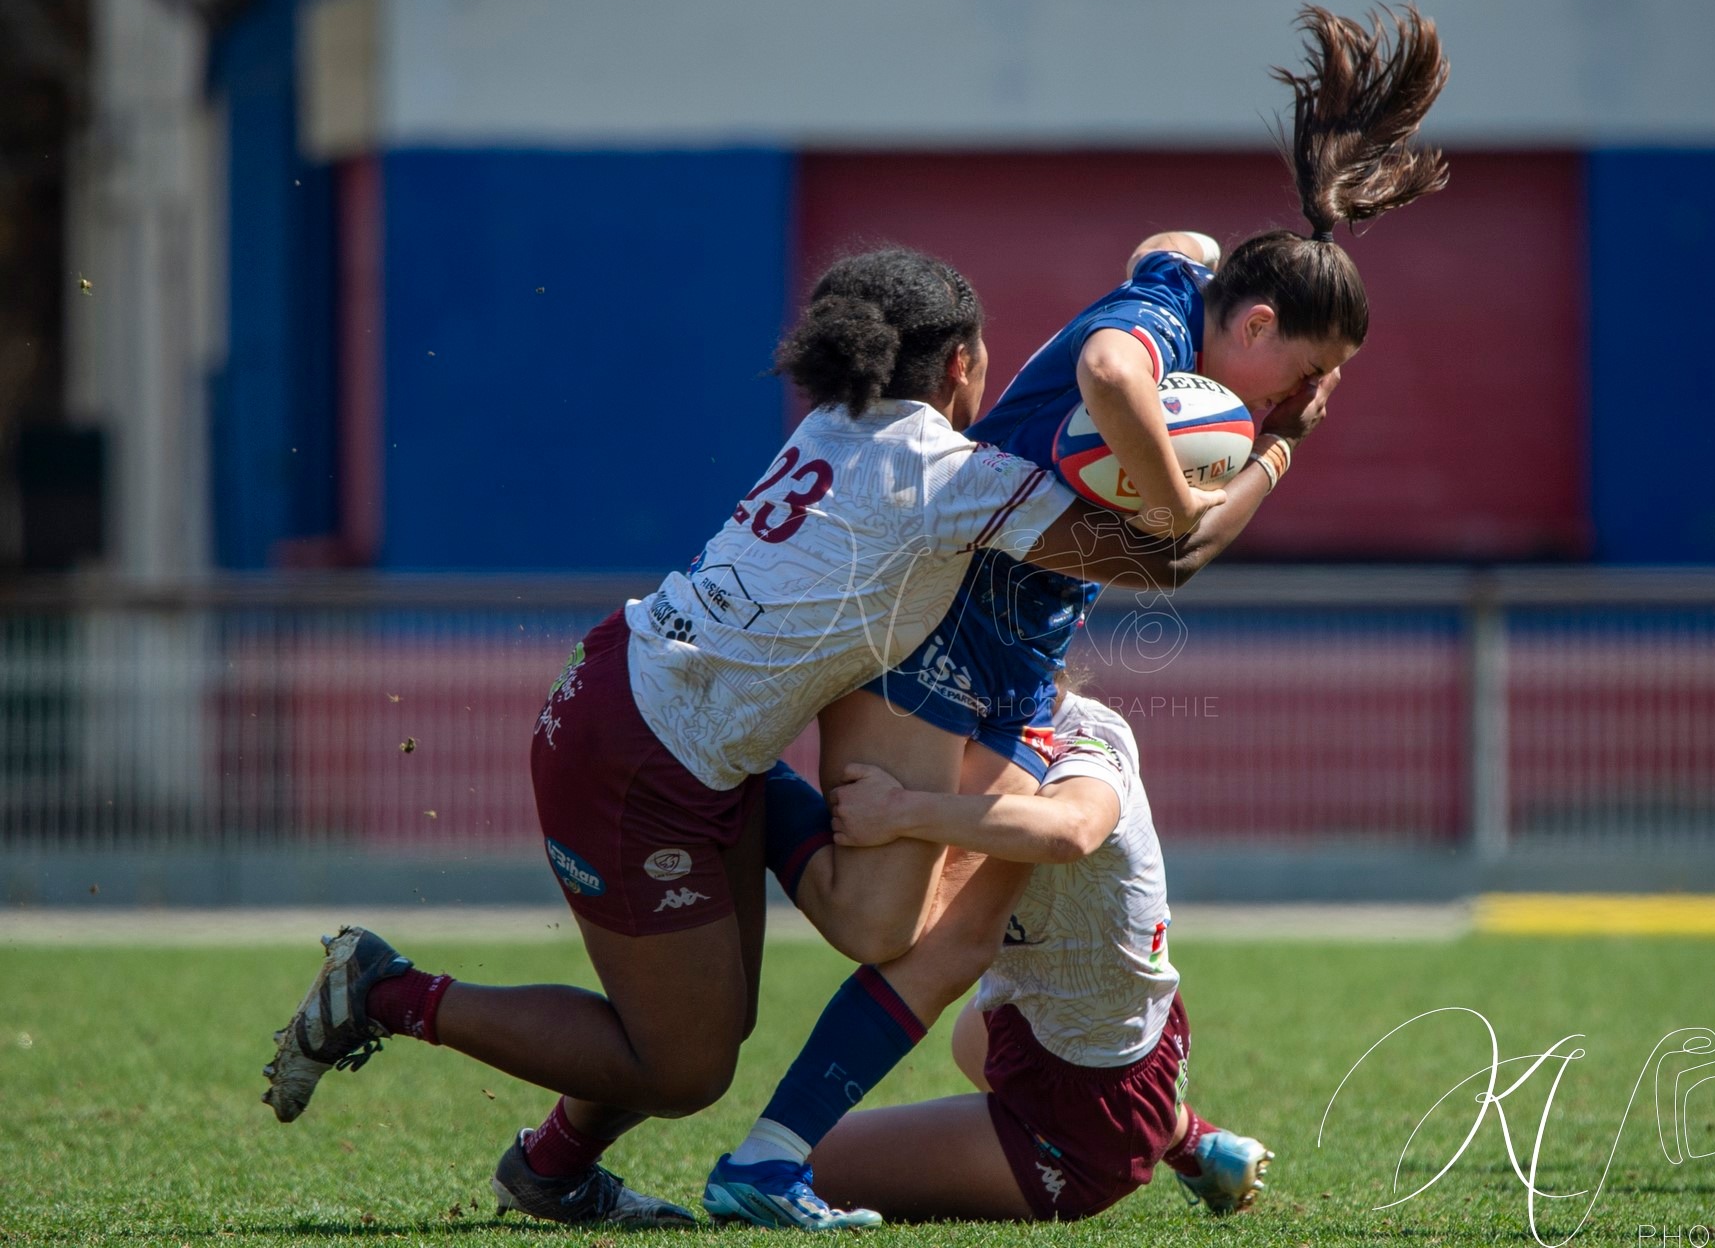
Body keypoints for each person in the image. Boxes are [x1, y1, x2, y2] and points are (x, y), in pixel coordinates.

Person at [257, 247, 1288, 1229]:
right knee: (685, 1064)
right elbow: (1166, 559)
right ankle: (386, 991)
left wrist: (1183, 292)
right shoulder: (951, 475)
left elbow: (1165, 261)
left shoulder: (836, 424)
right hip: (642, 758)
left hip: (640, 703)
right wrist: (1270, 450)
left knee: (709, 1016)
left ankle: (554, 1168)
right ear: (961, 364)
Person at [706, 1, 1449, 1229]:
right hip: (943, 629)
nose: (1305, 399)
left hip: (1019, 649)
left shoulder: (1189, 285)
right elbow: (1131, 430)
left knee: (954, 940)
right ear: (1258, 326)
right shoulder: (1151, 339)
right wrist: (1215, 481)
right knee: (886, 920)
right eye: (1307, 373)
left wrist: (1244, 417)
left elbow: (1177, 238)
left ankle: (773, 1156)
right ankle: (717, 781)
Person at [798, 683, 1272, 1222]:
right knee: (970, 1035)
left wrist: (900, 810)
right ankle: (1197, 1144)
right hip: (1088, 1036)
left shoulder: (1086, 741)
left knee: (807, 1168)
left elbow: (1072, 829)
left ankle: (1120, 1147)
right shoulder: (987, 738)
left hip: (1091, 1112)